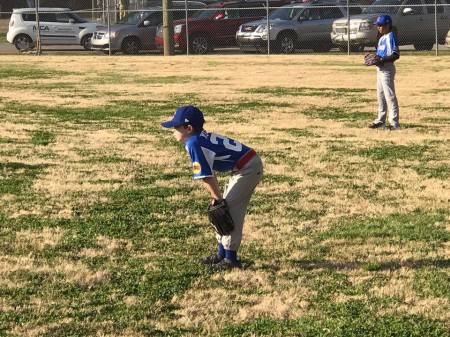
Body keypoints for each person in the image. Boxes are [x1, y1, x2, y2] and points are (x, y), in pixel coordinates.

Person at [161, 106, 263, 271]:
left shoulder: (194, 143)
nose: (173, 131)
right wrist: (217, 197)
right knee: (220, 210)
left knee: (227, 211)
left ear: (188, 128)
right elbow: (209, 174)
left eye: (175, 127)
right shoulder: (195, 139)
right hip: (243, 167)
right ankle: (221, 254)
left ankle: (231, 260)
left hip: (248, 168)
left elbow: (207, 176)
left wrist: (217, 197)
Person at [368, 15, 400, 130]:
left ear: (388, 25)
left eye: (381, 25)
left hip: (387, 69)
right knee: (380, 96)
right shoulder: (381, 38)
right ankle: (381, 120)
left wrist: (382, 60)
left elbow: (396, 55)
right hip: (380, 69)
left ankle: (394, 123)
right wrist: (375, 59)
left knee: (390, 96)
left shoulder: (391, 36)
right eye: (378, 25)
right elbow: (380, 55)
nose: (379, 27)